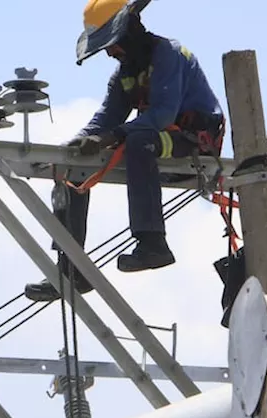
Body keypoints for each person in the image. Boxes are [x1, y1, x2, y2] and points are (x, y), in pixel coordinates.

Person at [23, 0, 226, 302]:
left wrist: (111, 137)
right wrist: (73, 147)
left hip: (192, 143)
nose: (109, 52)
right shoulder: (125, 73)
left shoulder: (168, 54)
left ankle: (153, 244)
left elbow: (162, 115)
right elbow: (107, 116)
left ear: (131, 31)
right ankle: (70, 269)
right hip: (153, 142)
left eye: (112, 43)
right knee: (78, 166)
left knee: (138, 141)